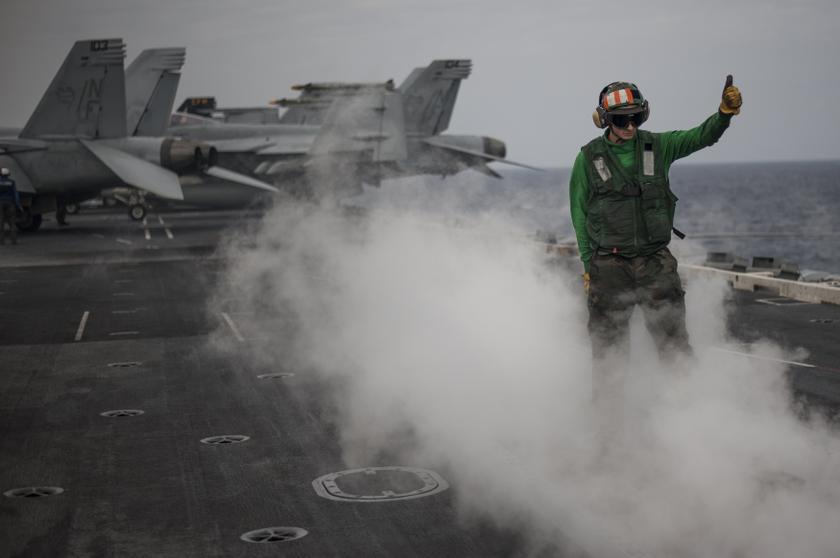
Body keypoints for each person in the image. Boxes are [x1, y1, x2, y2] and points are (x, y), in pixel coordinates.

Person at [568, 76, 742, 400]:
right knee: (609, 357)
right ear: (604, 120)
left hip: (655, 264)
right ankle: (608, 438)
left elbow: (701, 137)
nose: (630, 126)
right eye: (622, 119)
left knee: (675, 349)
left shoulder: (658, 146)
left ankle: (691, 423)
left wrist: (723, 115)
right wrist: (588, 265)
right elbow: (579, 213)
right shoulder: (587, 159)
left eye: (636, 117)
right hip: (609, 266)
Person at [0, 168, 22, 245]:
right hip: (10, 203)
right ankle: (14, 240)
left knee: (1, 222)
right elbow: (16, 195)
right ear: (8, 174)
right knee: (12, 222)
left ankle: (1, 241)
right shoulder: (12, 182)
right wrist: (18, 205)